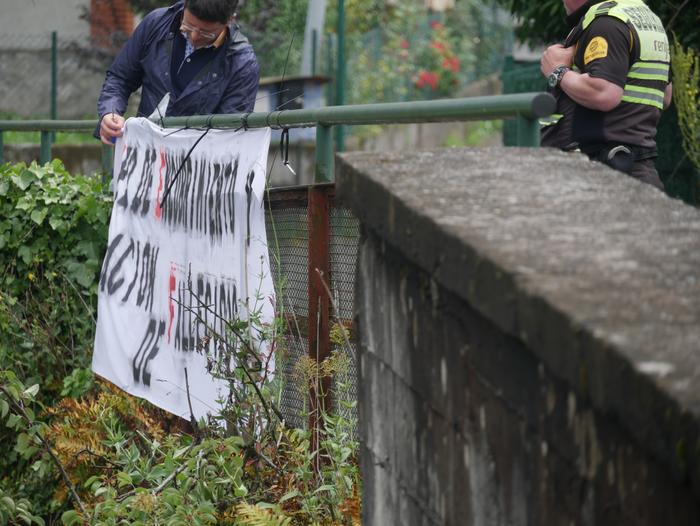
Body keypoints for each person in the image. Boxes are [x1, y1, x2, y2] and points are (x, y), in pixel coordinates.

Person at [539, 0, 672, 190]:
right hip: (635, 170)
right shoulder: (646, 19)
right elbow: (664, 96)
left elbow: (605, 93)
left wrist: (558, 71)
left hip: (603, 175)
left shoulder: (606, 22)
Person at [97, 0, 259, 145]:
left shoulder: (242, 63)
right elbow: (120, 79)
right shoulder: (156, 23)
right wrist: (110, 112)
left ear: (230, 20)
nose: (194, 37)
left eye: (206, 33)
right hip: (141, 154)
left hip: (198, 166)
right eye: (187, 27)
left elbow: (228, 134)